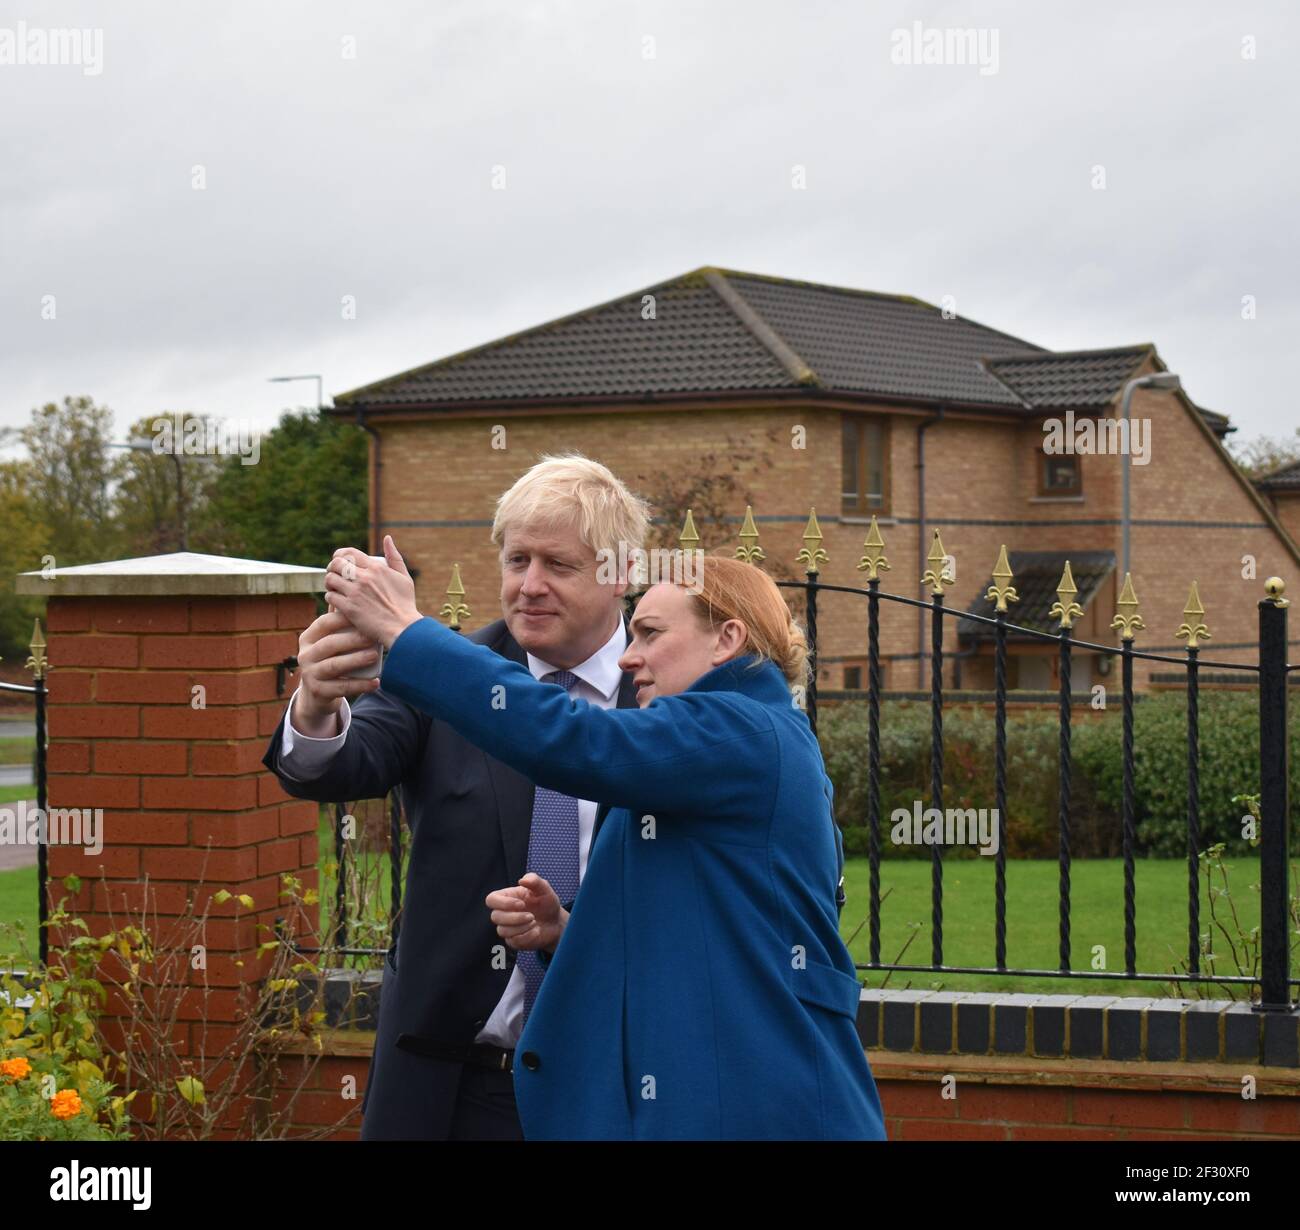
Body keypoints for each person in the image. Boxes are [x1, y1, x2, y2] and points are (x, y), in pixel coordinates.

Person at [326, 536, 888, 1141]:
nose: (628, 656)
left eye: (650, 634)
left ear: (727, 640)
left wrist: (406, 630)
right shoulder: (726, 747)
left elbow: (570, 741)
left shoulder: (740, 727)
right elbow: (715, 933)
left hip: (758, 1106)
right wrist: (569, 932)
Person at [261, 454, 650, 1139]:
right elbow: (338, 766)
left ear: (619, 574)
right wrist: (316, 704)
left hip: (613, 1084)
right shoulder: (450, 679)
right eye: (515, 560)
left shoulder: (662, 698)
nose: (528, 586)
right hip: (451, 1090)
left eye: (557, 565)